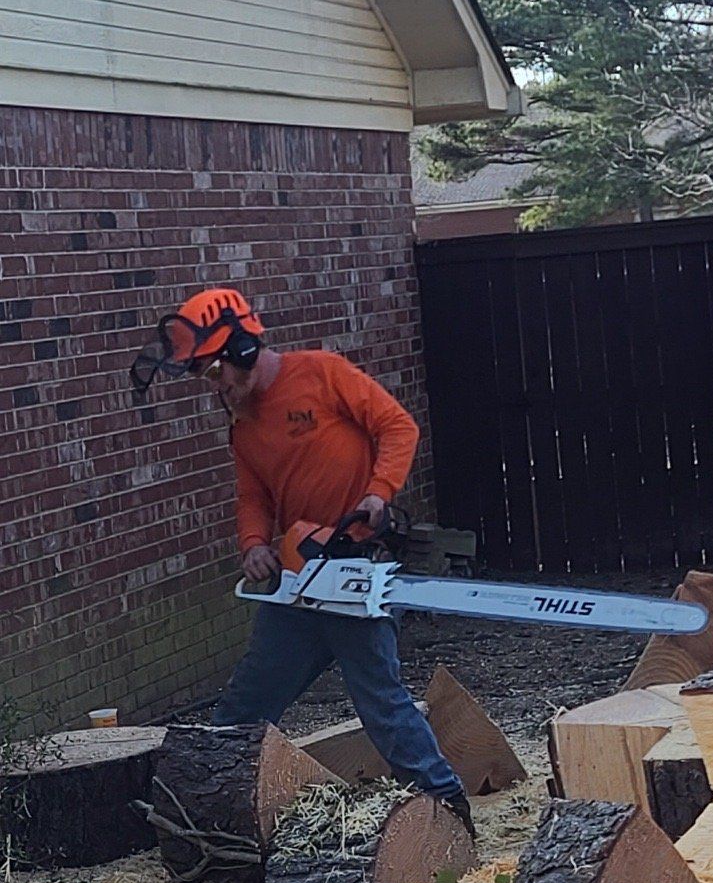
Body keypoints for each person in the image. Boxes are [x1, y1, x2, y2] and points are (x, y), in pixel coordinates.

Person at [131, 288, 468, 819]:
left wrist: (379, 491)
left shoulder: (321, 373)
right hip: (298, 574)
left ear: (243, 349)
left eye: (216, 370)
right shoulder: (243, 423)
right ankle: (211, 815)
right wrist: (252, 545)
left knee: (380, 703)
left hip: (355, 566)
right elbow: (253, 495)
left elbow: (398, 426)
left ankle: (446, 803)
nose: (216, 385)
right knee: (247, 704)